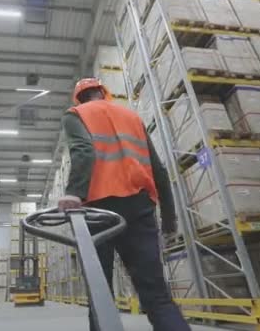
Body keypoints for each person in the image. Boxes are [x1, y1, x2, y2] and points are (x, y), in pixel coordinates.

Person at [58, 78, 191, 331]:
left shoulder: (75, 114)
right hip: (139, 208)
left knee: (101, 294)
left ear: (79, 98)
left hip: (97, 210)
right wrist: (170, 221)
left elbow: (83, 150)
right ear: (102, 92)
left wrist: (74, 192)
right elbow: (159, 172)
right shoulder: (132, 118)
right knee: (156, 294)